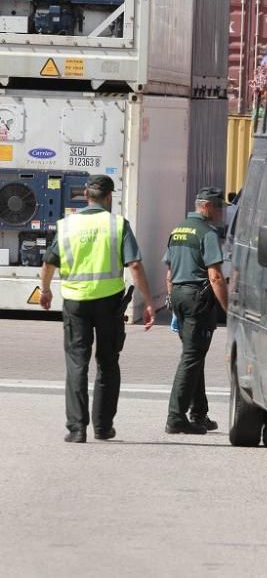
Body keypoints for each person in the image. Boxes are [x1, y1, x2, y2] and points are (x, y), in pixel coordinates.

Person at [38, 174, 156, 443]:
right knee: (107, 363)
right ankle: (103, 427)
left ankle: (76, 429)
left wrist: (45, 291)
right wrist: (149, 302)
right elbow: (134, 265)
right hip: (109, 304)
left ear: (86, 196)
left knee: (77, 364)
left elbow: (48, 263)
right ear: (109, 197)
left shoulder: (67, 226)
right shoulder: (117, 224)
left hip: (75, 303)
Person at [163, 187, 229, 434]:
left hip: (179, 295)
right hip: (197, 300)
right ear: (207, 206)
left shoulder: (178, 230)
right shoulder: (207, 233)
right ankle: (175, 417)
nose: (221, 212)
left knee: (194, 355)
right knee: (191, 357)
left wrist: (172, 301)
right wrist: (228, 310)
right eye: (219, 207)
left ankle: (199, 414)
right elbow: (215, 277)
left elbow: (169, 273)